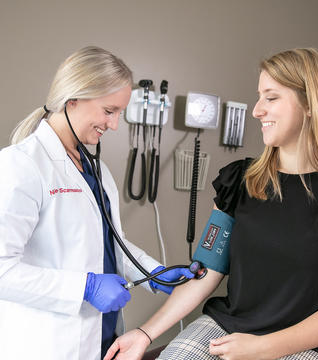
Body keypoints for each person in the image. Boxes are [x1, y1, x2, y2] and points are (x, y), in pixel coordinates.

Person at [104, 47, 318, 360]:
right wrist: (145, 333)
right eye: (259, 96)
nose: (257, 110)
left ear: (311, 103)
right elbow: (207, 272)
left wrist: (263, 348)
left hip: (309, 344)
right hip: (228, 327)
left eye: (271, 97)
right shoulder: (240, 181)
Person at [0, 46, 193, 360]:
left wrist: (154, 273)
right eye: (109, 110)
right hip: (47, 345)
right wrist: (85, 288)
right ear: (72, 99)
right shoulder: (21, 165)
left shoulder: (96, 169)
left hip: (102, 338)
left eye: (119, 113)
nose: (114, 125)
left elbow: (110, 244)